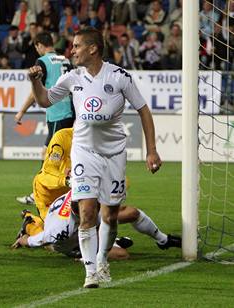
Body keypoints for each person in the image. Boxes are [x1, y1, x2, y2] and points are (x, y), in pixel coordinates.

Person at [28, 27, 162, 288]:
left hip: (113, 154)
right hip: (83, 152)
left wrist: (152, 150)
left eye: (77, 46)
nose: (72, 51)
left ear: (93, 49)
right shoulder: (71, 78)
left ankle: (102, 260)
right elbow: (44, 100)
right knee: (87, 212)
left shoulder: (119, 77)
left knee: (109, 216)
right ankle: (90, 272)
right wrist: (35, 81)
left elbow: (144, 110)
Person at [12, 191, 181, 257]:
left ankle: (163, 240)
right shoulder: (61, 230)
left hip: (79, 220)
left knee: (132, 213)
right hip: (73, 244)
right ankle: (30, 223)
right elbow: (41, 240)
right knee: (123, 255)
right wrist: (23, 240)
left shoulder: (86, 191)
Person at [15, 31, 75, 206]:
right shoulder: (65, 59)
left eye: (36, 47)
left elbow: (37, 92)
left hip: (58, 112)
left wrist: (21, 112)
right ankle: (49, 191)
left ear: (40, 45)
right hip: (70, 111)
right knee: (54, 154)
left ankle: (45, 193)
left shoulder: (42, 62)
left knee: (52, 156)